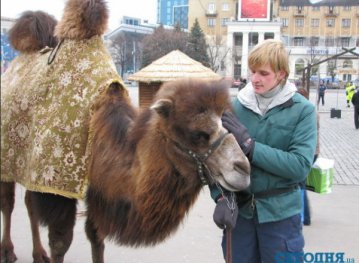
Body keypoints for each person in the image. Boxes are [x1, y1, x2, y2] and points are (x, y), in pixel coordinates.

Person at [210, 39, 317, 262]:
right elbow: (214, 159)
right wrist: (221, 197)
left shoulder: (302, 111)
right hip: (240, 215)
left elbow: (299, 167)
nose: (255, 79)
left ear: (281, 74)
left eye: (263, 73)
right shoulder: (235, 106)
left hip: (281, 218)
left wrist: (251, 146)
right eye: (252, 72)